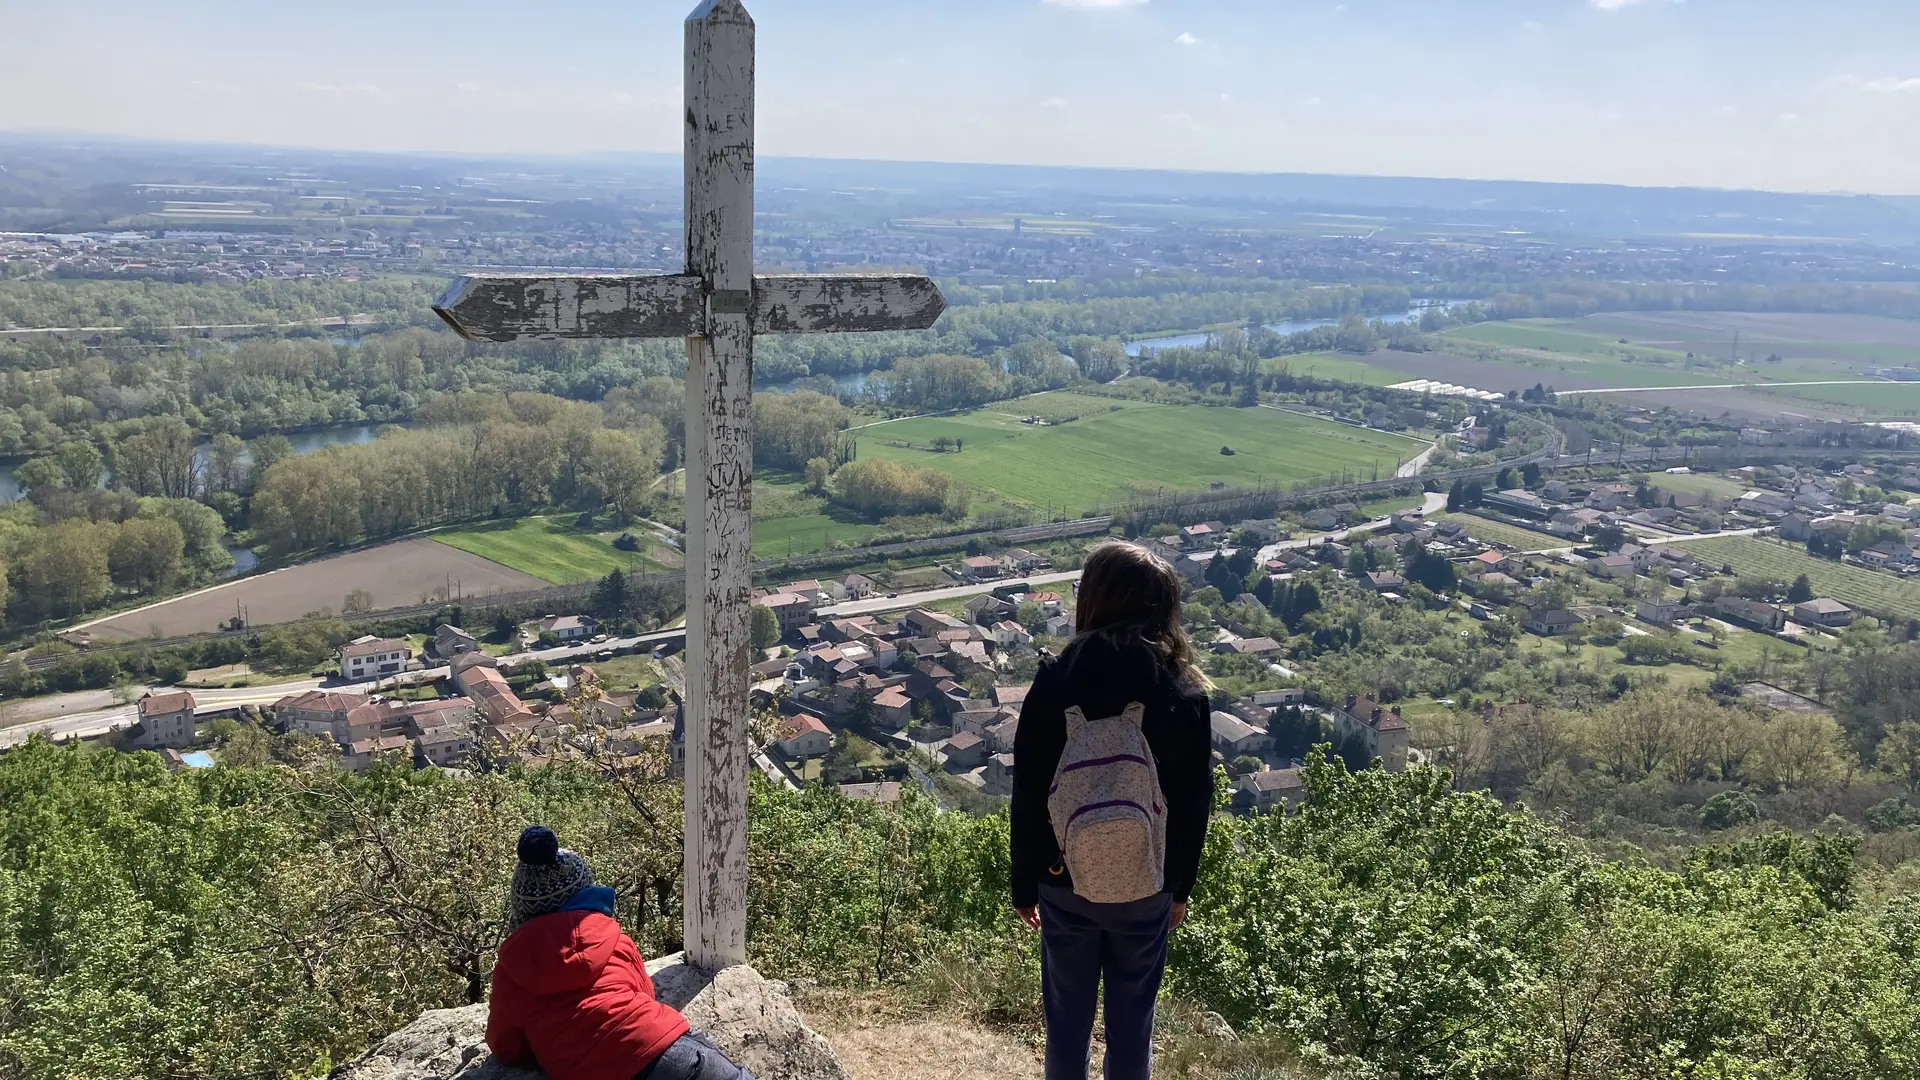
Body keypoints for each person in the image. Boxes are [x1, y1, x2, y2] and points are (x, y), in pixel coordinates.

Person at [1011, 541, 1216, 1080]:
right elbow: (1194, 800)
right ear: (1164, 607)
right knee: (1132, 1023)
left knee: (1067, 1020)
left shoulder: (1056, 679)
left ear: (1093, 599)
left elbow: (1030, 789)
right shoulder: (1182, 690)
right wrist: (1180, 887)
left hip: (1063, 879)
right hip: (1146, 885)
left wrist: (1025, 885)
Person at [486, 825, 756, 1080]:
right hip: (666, 1047)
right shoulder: (612, 937)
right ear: (585, 893)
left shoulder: (514, 967)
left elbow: (505, 1045)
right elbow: (645, 993)